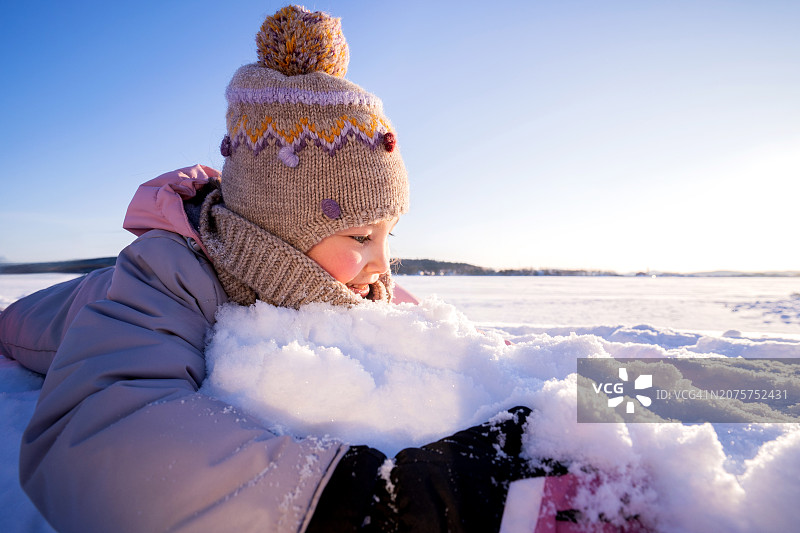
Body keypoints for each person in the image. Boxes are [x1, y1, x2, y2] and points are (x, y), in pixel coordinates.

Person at [0, 6, 632, 533]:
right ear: (281, 225)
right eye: (361, 234)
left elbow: (479, 349)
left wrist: (679, 388)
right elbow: (96, 433)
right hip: (47, 318)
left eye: (390, 233)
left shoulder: (351, 282)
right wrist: (381, 501)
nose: (383, 261)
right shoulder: (169, 272)